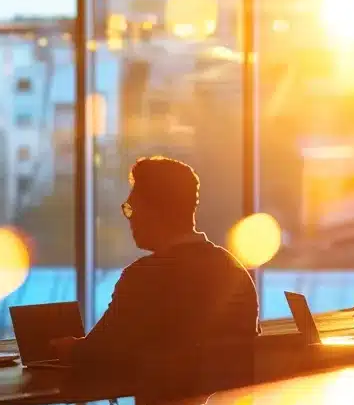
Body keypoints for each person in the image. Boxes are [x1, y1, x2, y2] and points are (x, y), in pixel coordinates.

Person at [52, 156, 259, 374]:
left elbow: (99, 352)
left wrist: (68, 349)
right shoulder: (234, 271)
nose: (129, 219)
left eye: (131, 209)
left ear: (154, 210)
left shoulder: (145, 276)